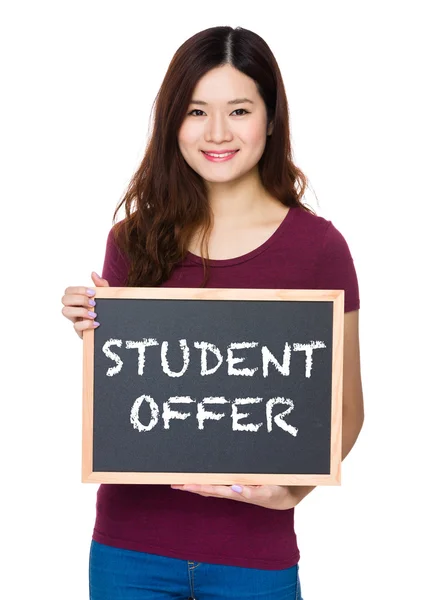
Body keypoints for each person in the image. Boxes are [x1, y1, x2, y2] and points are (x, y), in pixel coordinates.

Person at [61, 25, 364, 600]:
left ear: (271, 120)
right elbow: (136, 394)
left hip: (255, 557)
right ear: (173, 121)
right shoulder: (133, 238)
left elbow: (347, 410)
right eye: (197, 110)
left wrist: (293, 492)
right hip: (130, 551)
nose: (218, 132)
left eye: (240, 110)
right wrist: (98, 332)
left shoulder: (319, 249)